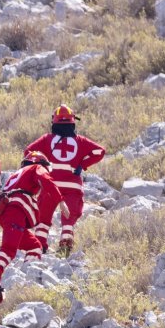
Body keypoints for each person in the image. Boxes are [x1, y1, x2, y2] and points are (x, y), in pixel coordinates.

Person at [25, 105, 105, 256]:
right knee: (69, 218)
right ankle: (65, 246)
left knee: (44, 216)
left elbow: (29, 151)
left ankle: (39, 245)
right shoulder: (80, 140)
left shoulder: (47, 139)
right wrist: (83, 164)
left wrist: (39, 168)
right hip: (72, 186)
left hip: (50, 184)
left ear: (54, 122)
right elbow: (100, 151)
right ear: (73, 122)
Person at [0, 151, 70, 282]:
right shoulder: (37, 167)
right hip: (16, 211)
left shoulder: (14, 177)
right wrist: (61, 201)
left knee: (35, 245)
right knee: (8, 249)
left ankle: (29, 278)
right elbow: (46, 180)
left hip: (3, 214)